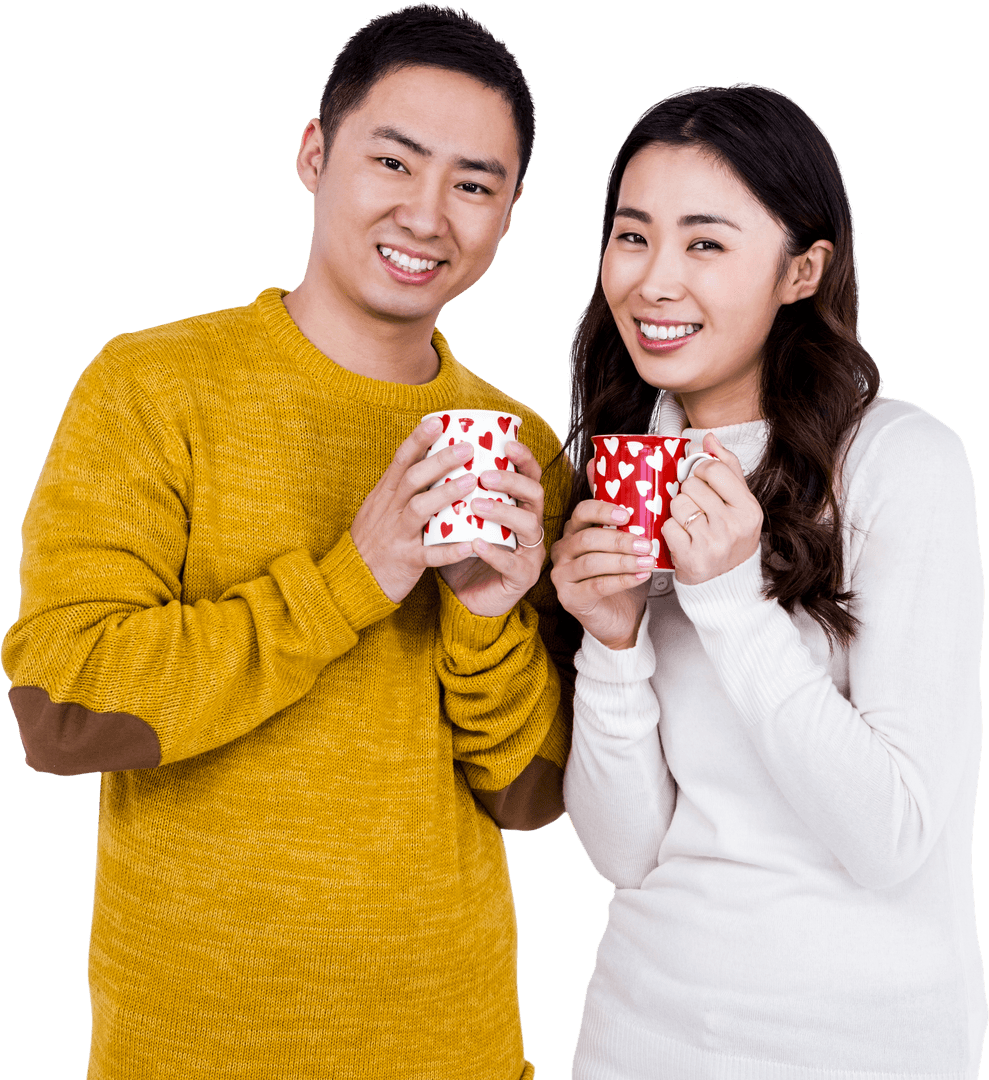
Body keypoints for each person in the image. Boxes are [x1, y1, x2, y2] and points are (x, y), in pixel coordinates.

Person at [1, 6, 574, 1078]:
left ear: (508, 217)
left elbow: (530, 789)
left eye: (473, 184)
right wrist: (353, 578)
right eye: (392, 161)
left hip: (452, 1045)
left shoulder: (523, 449)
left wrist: (488, 617)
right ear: (315, 154)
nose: (426, 214)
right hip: (191, 1051)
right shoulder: (150, 386)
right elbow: (61, 707)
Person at [550, 83, 985, 1078]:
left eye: (705, 243)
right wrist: (610, 645)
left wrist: (729, 602)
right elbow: (624, 854)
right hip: (639, 1029)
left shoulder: (898, 463)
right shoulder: (620, 470)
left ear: (800, 270)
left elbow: (889, 837)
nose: (654, 281)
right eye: (631, 236)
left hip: (859, 1041)